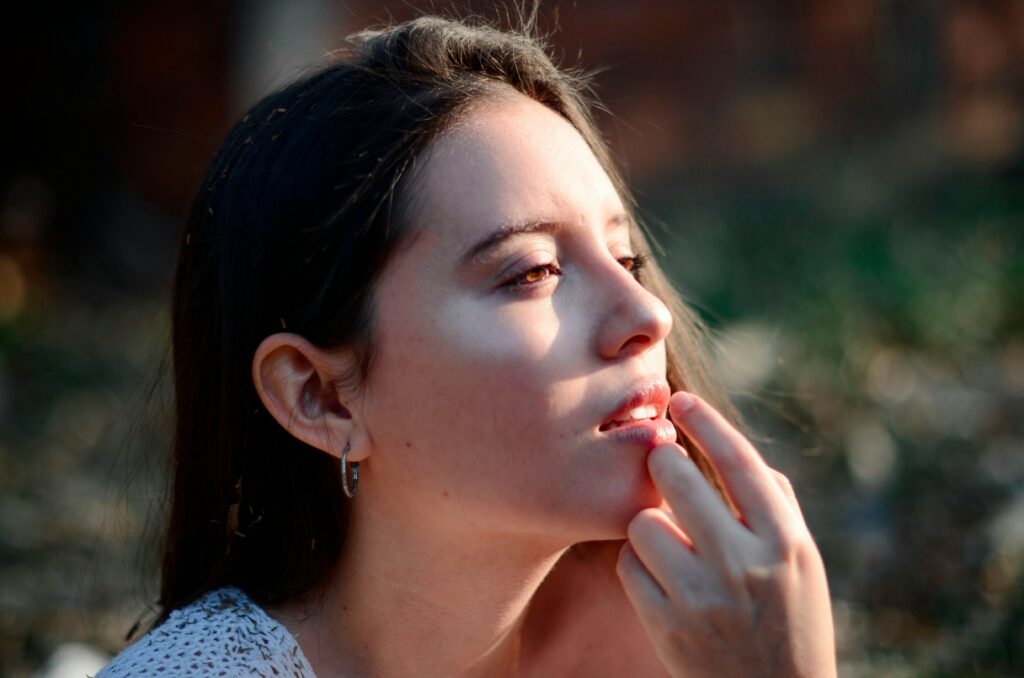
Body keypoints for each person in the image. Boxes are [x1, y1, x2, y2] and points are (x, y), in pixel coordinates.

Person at [99, 11, 836, 678]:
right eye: (533, 272)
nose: (646, 314)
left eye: (627, 259)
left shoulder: (706, 632)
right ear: (318, 395)